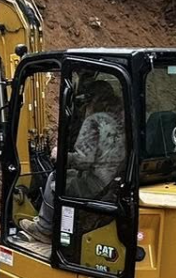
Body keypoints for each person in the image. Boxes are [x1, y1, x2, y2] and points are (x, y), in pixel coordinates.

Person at [19, 79, 126, 243]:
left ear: (91, 100)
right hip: (114, 181)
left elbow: (83, 161)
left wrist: (60, 155)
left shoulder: (95, 121)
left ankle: (44, 228)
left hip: (95, 184)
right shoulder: (122, 121)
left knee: (55, 179)